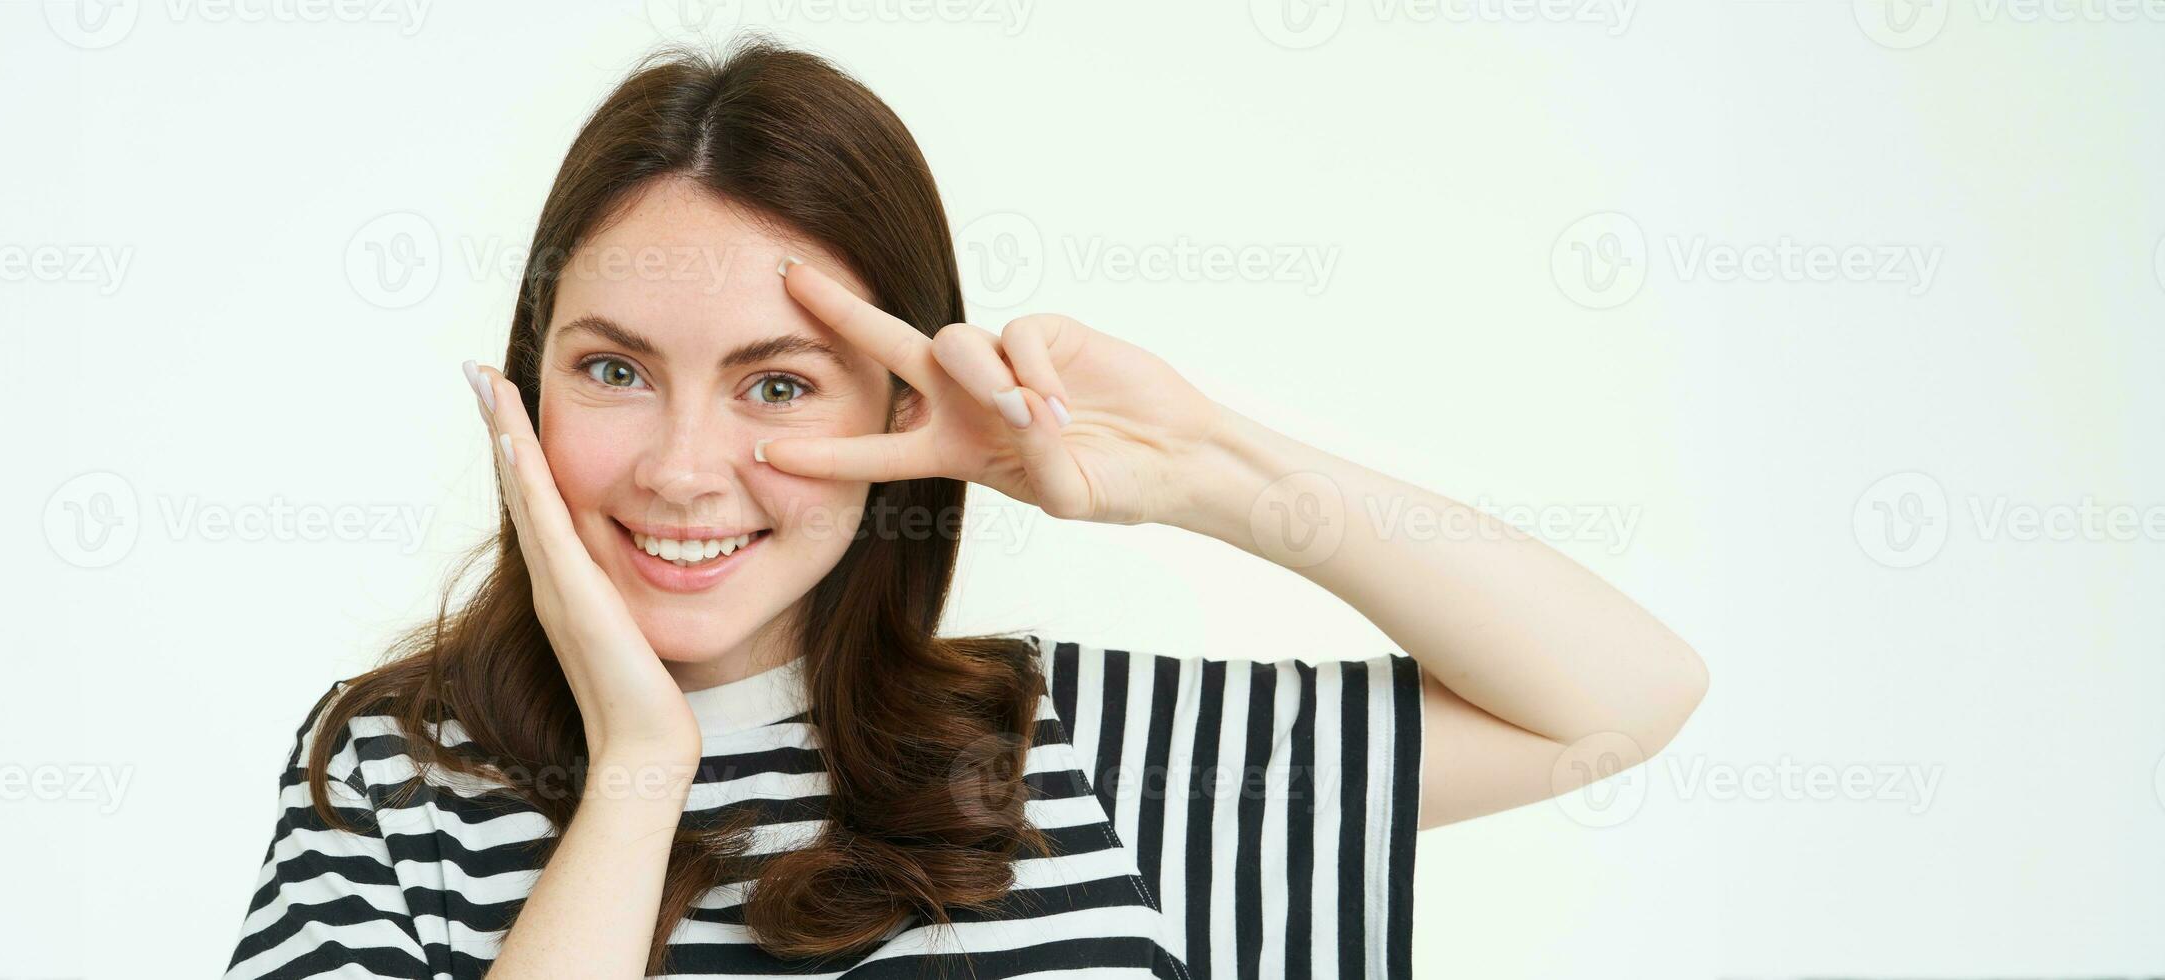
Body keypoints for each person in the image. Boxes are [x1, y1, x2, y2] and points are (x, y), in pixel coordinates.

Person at [224, 36, 1706, 980]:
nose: (681, 468)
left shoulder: (1060, 747)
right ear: (531, 377)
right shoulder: (396, 778)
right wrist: (635, 777)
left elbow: (1621, 697)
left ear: (897, 410)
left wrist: (1197, 465)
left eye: (780, 385)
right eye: (614, 369)